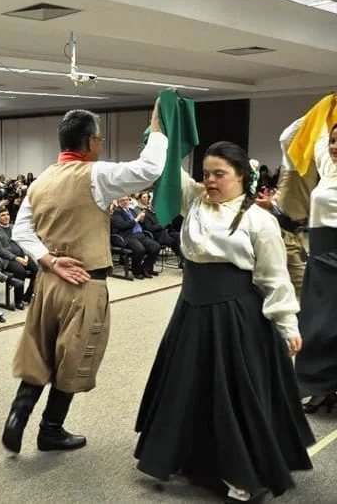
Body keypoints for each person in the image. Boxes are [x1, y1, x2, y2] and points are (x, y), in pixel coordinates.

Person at [134, 143, 313, 501]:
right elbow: (164, 168)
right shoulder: (195, 201)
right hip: (190, 310)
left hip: (235, 316)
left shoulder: (259, 219)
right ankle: (192, 455)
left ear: (241, 176)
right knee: (191, 386)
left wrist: (287, 325)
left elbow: (274, 278)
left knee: (233, 394)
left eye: (220, 174)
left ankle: (242, 471)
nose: (210, 181)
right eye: (206, 174)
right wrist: (160, 128)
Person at [2, 101, 167, 455]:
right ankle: (51, 430)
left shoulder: (41, 179)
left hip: (49, 283)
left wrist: (50, 260)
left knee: (40, 349)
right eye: (101, 140)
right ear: (90, 142)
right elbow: (150, 168)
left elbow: (21, 231)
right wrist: (157, 129)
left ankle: (17, 417)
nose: (102, 145)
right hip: (85, 283)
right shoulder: (96, 175)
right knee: (73, 356)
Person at [294, 123, 337, 412]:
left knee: (334, 326)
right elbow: (289, 136)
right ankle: (320, 387)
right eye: (333, 140)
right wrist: (320, 110)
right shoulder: (327, 166)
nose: (335, 147)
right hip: (320, 255)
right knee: (315, 324)